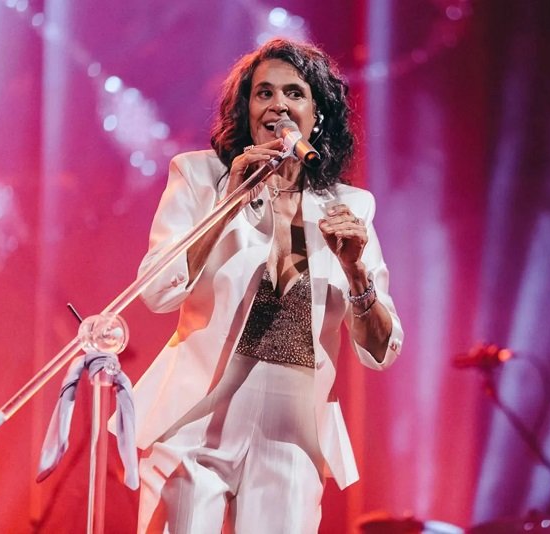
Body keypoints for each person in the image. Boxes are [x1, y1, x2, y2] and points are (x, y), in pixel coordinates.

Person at [130, 38, 403, 533]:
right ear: (247, 109)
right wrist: (228, 202)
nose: (278, 105)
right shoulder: (199, 175)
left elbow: (380, 351)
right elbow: (156, 292)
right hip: (196, 417)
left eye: (294, 93)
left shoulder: (351, 206)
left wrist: (356, 270)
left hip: (292, 431)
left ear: (317, 115)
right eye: (264, 93)